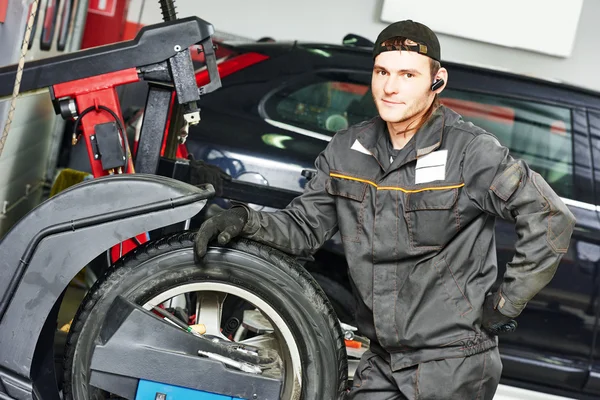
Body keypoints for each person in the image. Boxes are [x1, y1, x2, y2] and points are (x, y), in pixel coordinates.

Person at [194, 20, 576, 399]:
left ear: (437, 80)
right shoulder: (347, 150)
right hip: (382, 359)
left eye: (408, 74)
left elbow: (550, 217)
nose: (390, 87)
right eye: (382, 72)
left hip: (452, 366)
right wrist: (246, 219)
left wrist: (506, 305)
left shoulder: (471, 152)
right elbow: (303, 227)